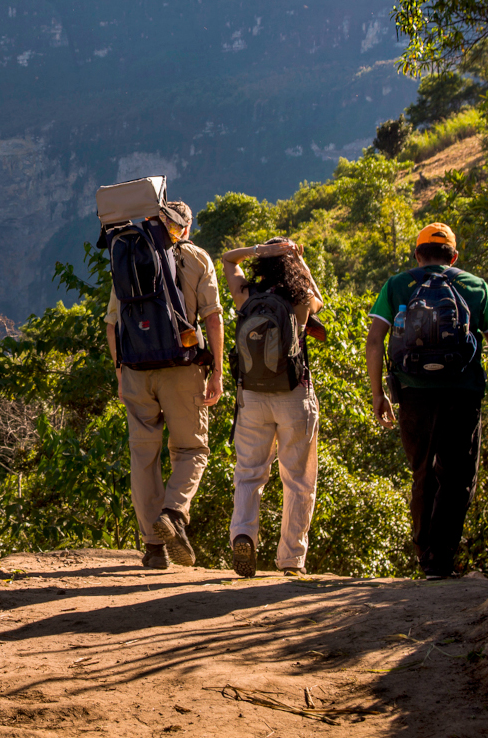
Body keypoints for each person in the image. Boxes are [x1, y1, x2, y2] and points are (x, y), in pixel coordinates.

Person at [366, 222, 488, 580]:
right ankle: (442, 559)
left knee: (422, 472)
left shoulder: (398, 284)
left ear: (417, 255)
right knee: (458, 475)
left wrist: (378, 395)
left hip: (413, 393)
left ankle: (424, 555)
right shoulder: (475, 286)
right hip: (462, 394)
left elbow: (374, 342)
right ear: (454, 256)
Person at [105, 200, 224, 569]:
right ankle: (173, 513)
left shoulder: (130, 250)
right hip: (181, 368)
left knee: (144, 457)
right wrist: (217, 370)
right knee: (192, 450)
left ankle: (154, 548)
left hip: (137, 369)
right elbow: (213, 317)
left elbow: (112, 323)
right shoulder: (197, 258)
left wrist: (120, 370)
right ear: (185, 229)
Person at [220, 238, 324, 578]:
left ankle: (244, 534)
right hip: (294, 394)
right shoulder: (300, 299)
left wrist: (257, 251)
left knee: (249, 472)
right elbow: (318, 298)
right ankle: (291, 560)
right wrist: (296, 258)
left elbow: (227, 259)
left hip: (251, 395)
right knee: (298, 480)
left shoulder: (246, 295)